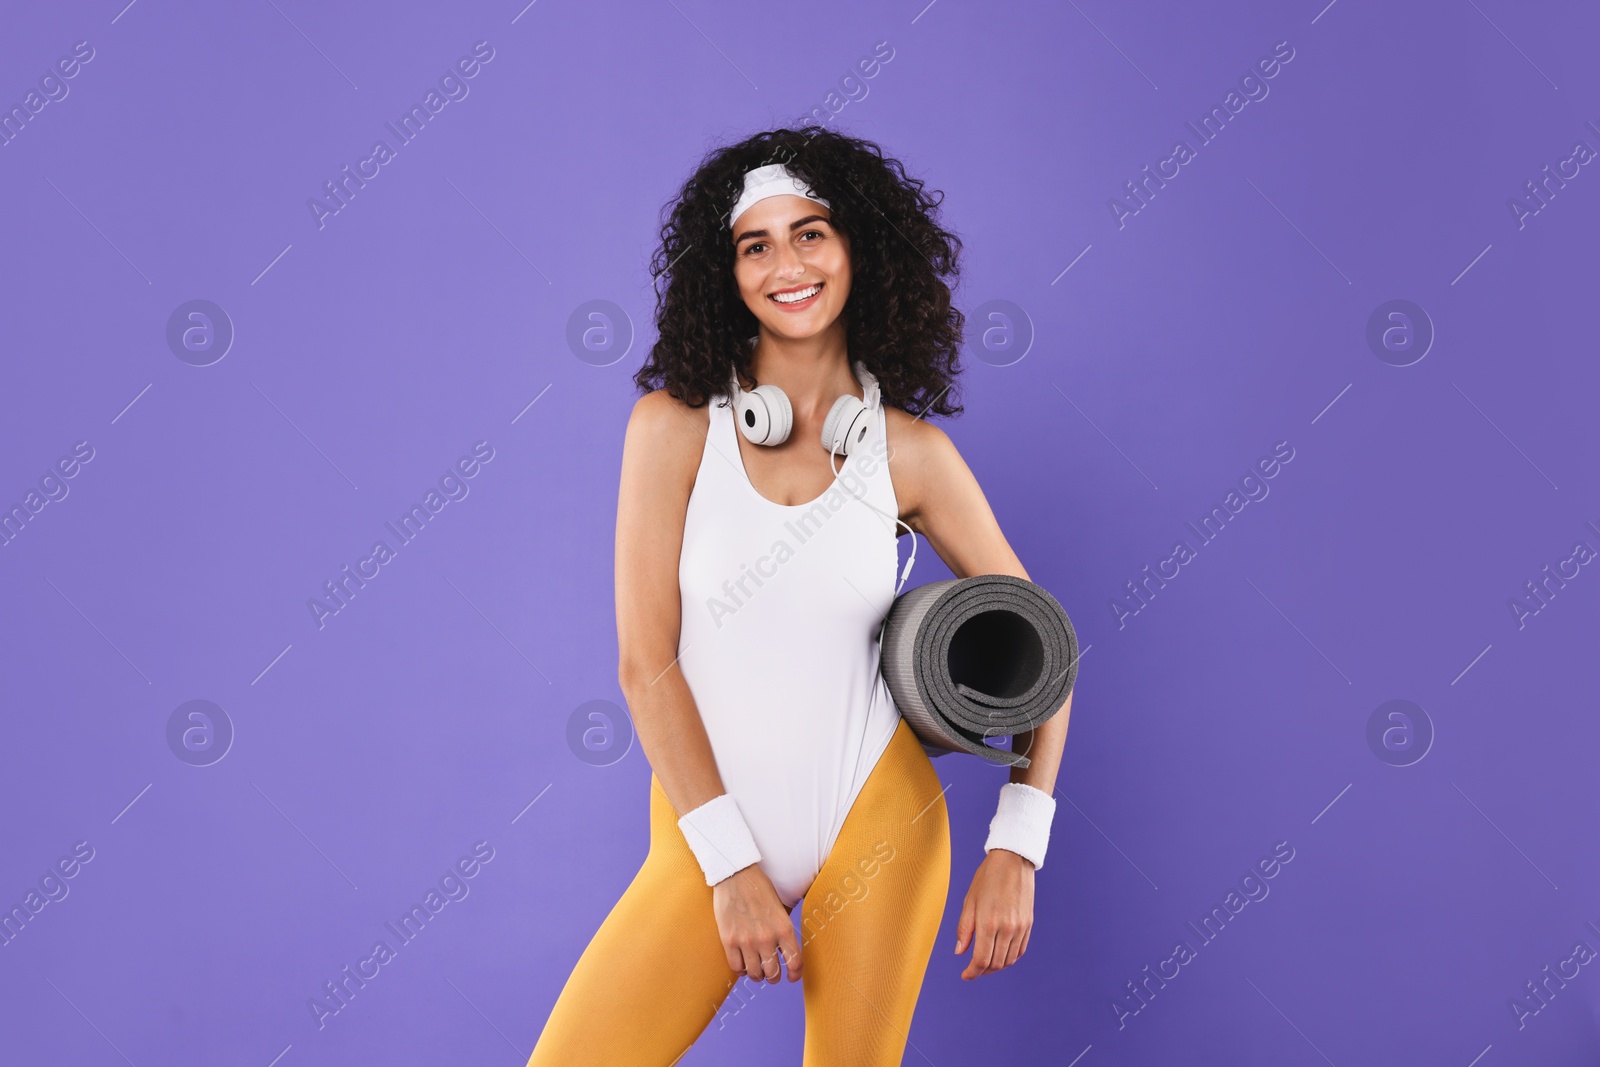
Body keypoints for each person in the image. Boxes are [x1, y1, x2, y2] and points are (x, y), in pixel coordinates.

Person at [528, 126, 1074, 1066]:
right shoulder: (670, 429)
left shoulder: (911, 455)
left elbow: (1045, 657)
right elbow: (643, 659)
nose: (787, 264)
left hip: (879, 818)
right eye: (756, 244)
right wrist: (730, 864)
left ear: (861, 248)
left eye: (812, 233)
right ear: (726, 273)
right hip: (709, 829)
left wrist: (1017, 846)